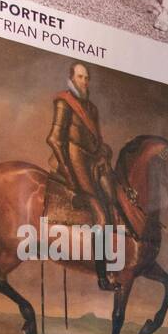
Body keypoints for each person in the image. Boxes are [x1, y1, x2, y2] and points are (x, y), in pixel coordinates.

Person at [47, 60, 120, 291]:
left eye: (87, 78)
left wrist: (103, 152)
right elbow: (55, 139)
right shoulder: (64, 102)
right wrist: (68, 172)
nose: (85, 81)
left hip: (92, 162)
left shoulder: (91, 108)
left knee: (113, 200)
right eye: (80, 77)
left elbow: (96, 140)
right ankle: (102, 277)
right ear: (72, 78)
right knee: (100, 216)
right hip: (73, 159)